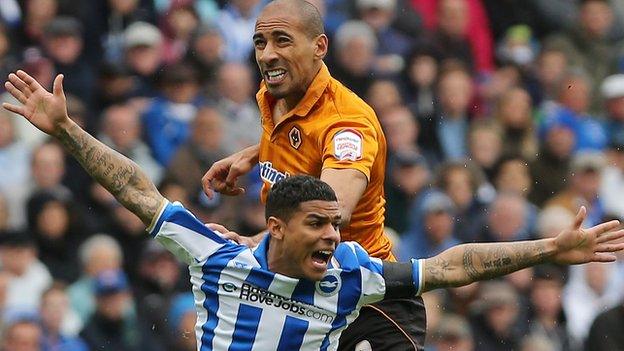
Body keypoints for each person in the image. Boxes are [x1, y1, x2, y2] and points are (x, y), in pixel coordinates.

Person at [5, 69, 624, 350]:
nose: (334, 236)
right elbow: (137, 190)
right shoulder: (216, 255)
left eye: (335, 223)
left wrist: (550, 249)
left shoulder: (352, 274)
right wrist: (65, 132)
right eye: (319, 224)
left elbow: (452, 266)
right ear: (274, 225)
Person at [201, 1, 427, 348]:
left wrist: (256, 242)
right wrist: (254, 154)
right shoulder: (277, 93)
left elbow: (332, 210)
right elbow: (304, 137)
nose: (267, 55)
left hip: (366, 300)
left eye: (282, 40)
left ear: (319, 47)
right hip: (302, 290)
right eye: (260, 43)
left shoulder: (348, 124)